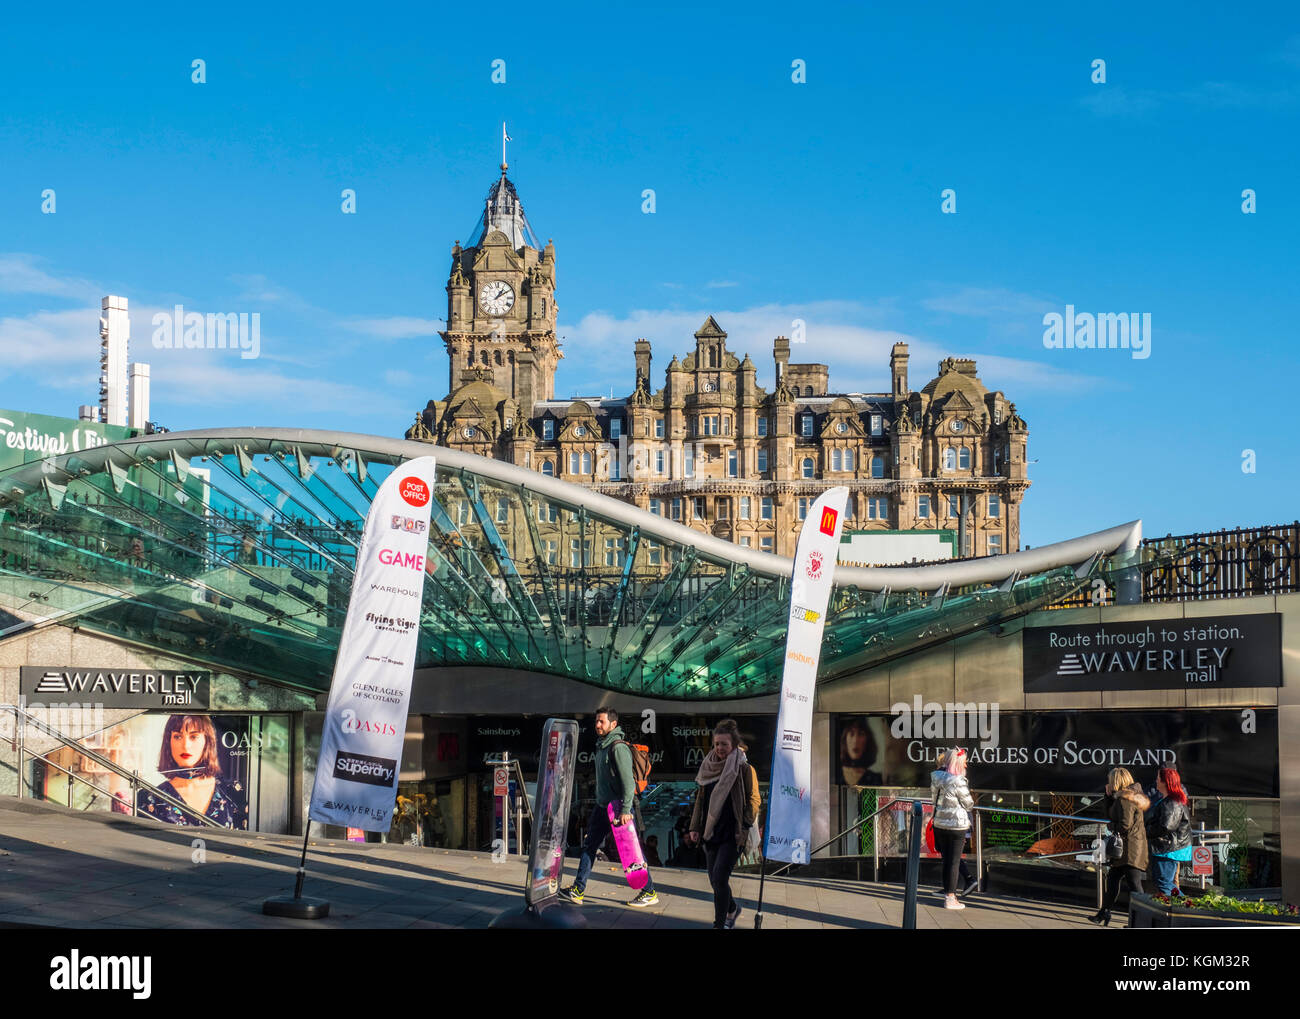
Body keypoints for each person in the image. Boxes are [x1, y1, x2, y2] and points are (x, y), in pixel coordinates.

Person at [560, 706, 658, 907]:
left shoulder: (617, 747)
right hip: (602, 807)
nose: (597, 725)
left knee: (630, 851)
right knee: (590, 846)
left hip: (619, 808)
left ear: (613, 724)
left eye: (601, 722)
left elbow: (629, 783)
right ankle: (578, 889)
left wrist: (625, 811)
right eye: (596, 721)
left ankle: (649, 892)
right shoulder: (602, 745)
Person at [687, 718, 756, 929]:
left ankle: (720, 923)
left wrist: (744, 825)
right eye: (716, 744)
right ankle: (732, 908)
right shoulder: (708, 766)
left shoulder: (744, 768)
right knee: (714, 880)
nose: (719, 748)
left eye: (724, 744)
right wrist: (695, 827)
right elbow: (701, 799)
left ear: (734, 745)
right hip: (711, 831)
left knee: (719, 876)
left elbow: (754, 800)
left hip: (732, 832)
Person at [136, 714, 243, 828]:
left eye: (194, 736)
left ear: (207, 741)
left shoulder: (231, 791)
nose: (186, 746)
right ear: (169, 742)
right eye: (177, 736)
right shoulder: (149, 798)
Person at [1091, 766, 1150, 926]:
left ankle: (1142, 921)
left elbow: (1124, 824)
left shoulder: (1126, 799)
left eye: (1110, 781)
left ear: (1115, 781)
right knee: (1113, 879)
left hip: (1130, 849)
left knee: (1135, 885)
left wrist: (1111, 827)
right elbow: (1111, 813)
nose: (1108, 783)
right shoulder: (1123, 798)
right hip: (1127, 847)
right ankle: (1104, 913)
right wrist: (1108, 796)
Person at [930, 748, 975, 910]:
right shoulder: (958, 780)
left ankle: (948, 892)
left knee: (947, 860)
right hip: (957, 825)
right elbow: (969, 803)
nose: (966, 764)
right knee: (954, 862)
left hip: (940, 823)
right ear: (958, 762)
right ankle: (950, 898)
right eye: (964, 761)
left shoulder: (936, 777)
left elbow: (934, 799)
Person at [1145, 767, 1192, 897]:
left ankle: (1187, 907)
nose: (1156, 781)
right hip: (1168, 847)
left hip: (1168, 848)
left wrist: (1147, 831)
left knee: (1164, 882)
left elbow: (1166, 826)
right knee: (1164, 882)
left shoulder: (1172, 802)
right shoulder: (1170, 800)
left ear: (1165, 782)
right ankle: (1183, 907)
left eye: (1158, 778)